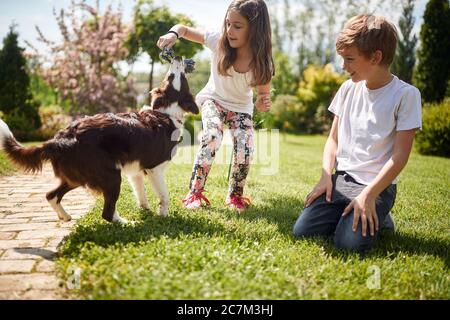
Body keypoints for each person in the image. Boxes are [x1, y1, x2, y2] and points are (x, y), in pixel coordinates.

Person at [293, 14, 422, 252]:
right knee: (302, 232)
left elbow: (400, 156)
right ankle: (352, 212)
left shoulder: (406, 95)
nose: (343, 67)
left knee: (348, 244)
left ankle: (380, 218)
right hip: (342, 180)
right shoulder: (347, 89)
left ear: (376, 57)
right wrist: (325, 177)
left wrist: (370, 195)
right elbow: (333, 139)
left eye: (350, 59)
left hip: (377, 186)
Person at [157, 0, 274, 213]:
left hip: (241, 108)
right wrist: (172, 34)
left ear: (255, 29)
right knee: (212, 136)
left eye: (237, 26)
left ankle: (235, 197)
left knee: (245, 149)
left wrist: (263, 102)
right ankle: (194, 192)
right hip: (214, 100)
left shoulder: (262, 62)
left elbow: (263, 96)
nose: (230, 30)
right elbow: (183, 29)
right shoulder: (218, 41)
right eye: (228, 23)